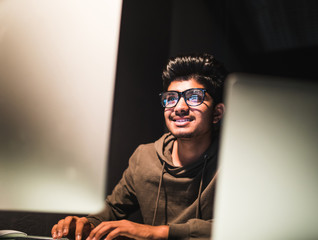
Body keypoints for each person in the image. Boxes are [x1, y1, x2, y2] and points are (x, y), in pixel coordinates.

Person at [51, 53, 228, 240]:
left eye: (194, 97)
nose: (179, 107)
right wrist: (86, 224)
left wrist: (157, 232)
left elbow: (242, 228)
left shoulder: (234, 162)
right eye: (171, 98)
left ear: (217, 113)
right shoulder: (145, 157)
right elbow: (113, 210)